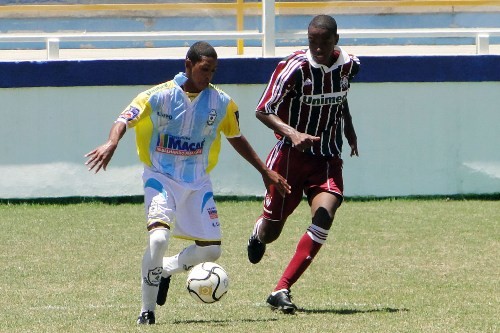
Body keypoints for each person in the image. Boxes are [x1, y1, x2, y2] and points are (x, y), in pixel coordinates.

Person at [84, 41, 290, 325]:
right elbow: (124, 119)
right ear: (188, 65)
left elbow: (236, 137)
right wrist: (111, 142)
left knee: (212, 250)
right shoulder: (157, 96)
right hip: (160, 178)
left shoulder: (222, 102)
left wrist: (264, 171)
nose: (209, 76)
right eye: (205, 69)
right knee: (158, 239)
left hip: (198, 183)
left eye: (214, 70)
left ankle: (166, 269)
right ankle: (148, 310)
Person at [246, 15, 360, 314]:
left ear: (336, 39)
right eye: (313, 41)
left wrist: (348, 127)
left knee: (325, 216)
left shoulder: (351, 65)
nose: (318, 47)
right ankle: (258, 232)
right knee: (273, 231)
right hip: (288, 160)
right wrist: (293, 133)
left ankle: (281, 288)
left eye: (324, 41)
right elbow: (263, 109)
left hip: (326, 158)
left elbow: (341, 96)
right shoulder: (294, 67)